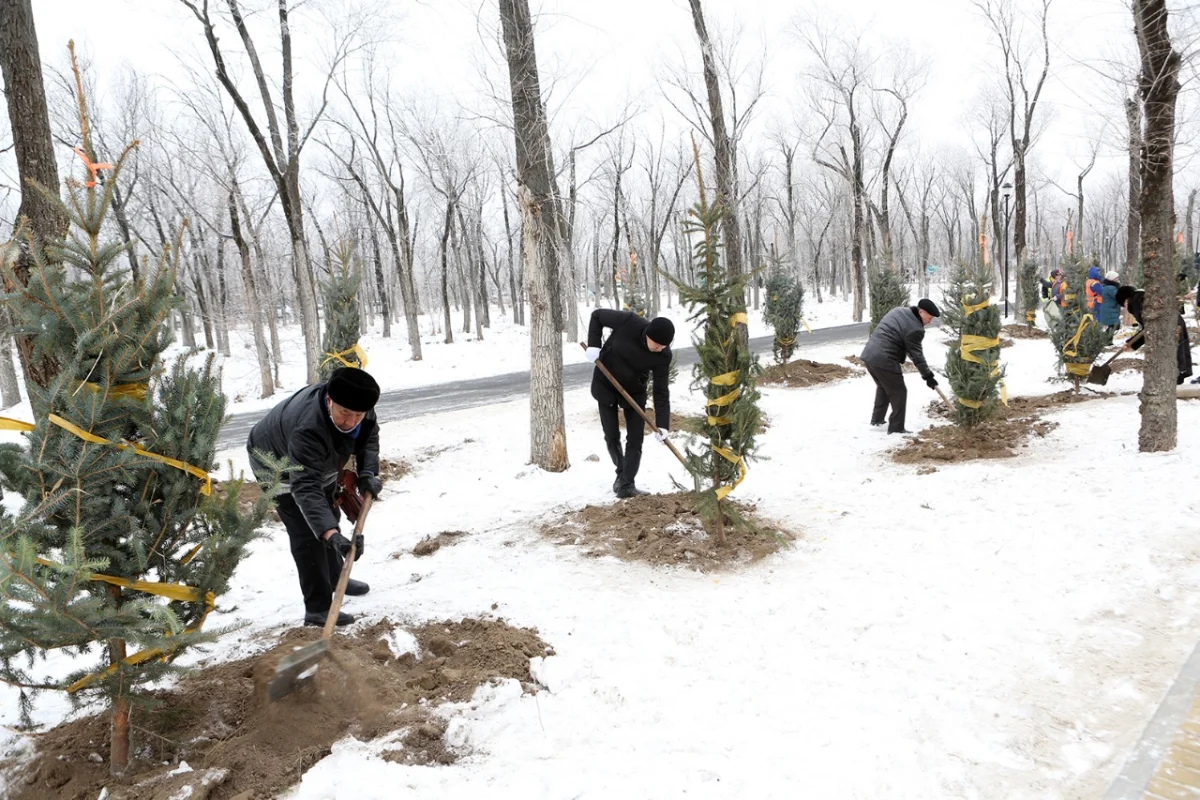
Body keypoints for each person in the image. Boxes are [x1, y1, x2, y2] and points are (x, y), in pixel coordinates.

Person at [247, 367, 383, 627]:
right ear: (330, 401)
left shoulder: (360, 404)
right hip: (275, 463)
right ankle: (318, 608)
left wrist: (367, 473)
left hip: (321, 460)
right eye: (345, 413)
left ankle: (335, 576)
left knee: (328, 512)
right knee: (306, 534)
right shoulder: (308, 427)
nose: (351, 421)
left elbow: (369, 439)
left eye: (358, 415)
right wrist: (331, 535)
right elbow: (305, 487)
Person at [585, 310, 674, 498]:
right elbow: (597, 316)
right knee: (611, 435)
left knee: (635, 439)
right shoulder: (629, 322)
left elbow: (661, 391)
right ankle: (621, 471)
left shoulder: (663, 356)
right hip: (606, 383)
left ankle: (626, 483)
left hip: (634, 391)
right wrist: (594, 346)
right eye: (657, 345)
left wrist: (663, 424)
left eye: (664, 346)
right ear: (648, 335)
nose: (660, 349)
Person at [861, 299, 941, 434]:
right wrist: (928, 376)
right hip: (885, 359)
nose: (930, 321)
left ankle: (877, 421)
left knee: (884, 387)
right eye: (929, 317)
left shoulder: (899, 310)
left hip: (869, 355)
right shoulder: (915, 329)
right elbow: (917, 355)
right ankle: (896, 429)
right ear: (921, 312)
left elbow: (909, 348)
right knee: (899, 392)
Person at [1115, 286, 1193, 385]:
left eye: (1123, 304)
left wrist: (1131, 344)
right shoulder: (1144, 296)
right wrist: (1132, 343)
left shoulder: (1136, 302)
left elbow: (1148, 329)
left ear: (1126, 300)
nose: (1125, 307)